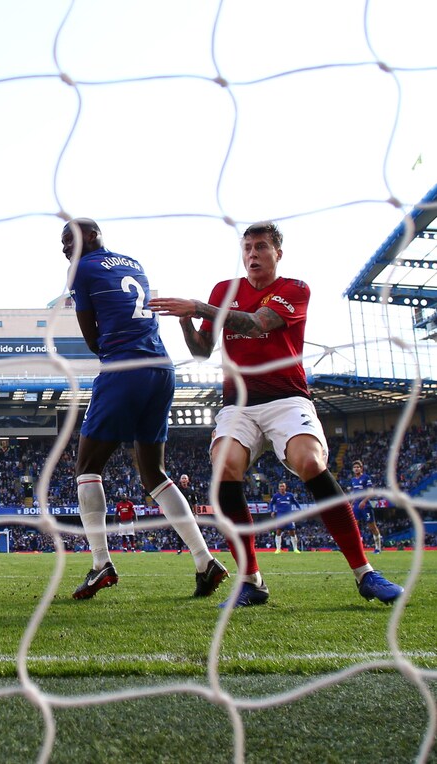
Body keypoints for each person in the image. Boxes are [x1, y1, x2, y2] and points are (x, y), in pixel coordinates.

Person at [148, 220, 403, 606]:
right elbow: (201, 350)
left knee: (310, 462)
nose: (253, 254)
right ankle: (251, 580)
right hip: (239, 404)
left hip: (287, 399)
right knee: (224, 465)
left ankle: (365, 573)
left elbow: (257, 325)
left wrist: (198, 306)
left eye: (261, 247)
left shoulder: (294, 289)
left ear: (277, 253)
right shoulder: (224, 290)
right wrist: (186, 322)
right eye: (247, 247)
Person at [61, 218, 227, 601]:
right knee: (154, 473)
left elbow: (92, 338)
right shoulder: (133, 262)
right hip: (161, 369)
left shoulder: (80, 270)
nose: (65, 248)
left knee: (87, 468)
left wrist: (112, 352)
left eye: (69, 239)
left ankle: (101, 564)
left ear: (91, 236)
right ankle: (204, 561)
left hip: (124, 367)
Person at [348, 460, 381, 554]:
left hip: (365, 505)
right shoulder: (353, 480)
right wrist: (351, 503)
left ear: (361, 468)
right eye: (354, 467)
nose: (356, 469)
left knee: (372, 527)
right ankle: (354, 547)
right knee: (354, 526)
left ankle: (378, 548)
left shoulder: (366, 478)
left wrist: (364, 501)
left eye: (358, 467)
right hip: (356, 506)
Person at [269, 481, 302, 553]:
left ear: (285, 487)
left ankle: (295, 549)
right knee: (278, 531)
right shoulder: (276, 496)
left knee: (292, 532)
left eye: (283, 486)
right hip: (280, 516)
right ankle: (278, 549)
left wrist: (299, 509)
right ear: (278, 488)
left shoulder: (290, 495)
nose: (282, 488)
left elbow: (296, 502)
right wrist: (272, 511)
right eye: (280, 486)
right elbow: (271, 504)